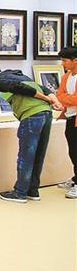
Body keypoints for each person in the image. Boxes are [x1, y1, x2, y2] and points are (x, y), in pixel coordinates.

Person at [0, 65, 63, 202]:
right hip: (46, 113)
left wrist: (45, 99)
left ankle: (20, 193)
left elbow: (21, 88)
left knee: (26, 156)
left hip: (32, 115)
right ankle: (33, 190)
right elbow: (44, 89)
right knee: (38, 154)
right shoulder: (21, 76)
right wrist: (54, 101)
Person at [55, 46, 77, 198]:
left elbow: (75, 99)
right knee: (72, 151)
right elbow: (59, 95)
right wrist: (67, 98)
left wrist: (66, 98)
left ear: (75, 61)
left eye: (64, 60)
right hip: (69, 117)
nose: (62, 63)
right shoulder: (65, 76)